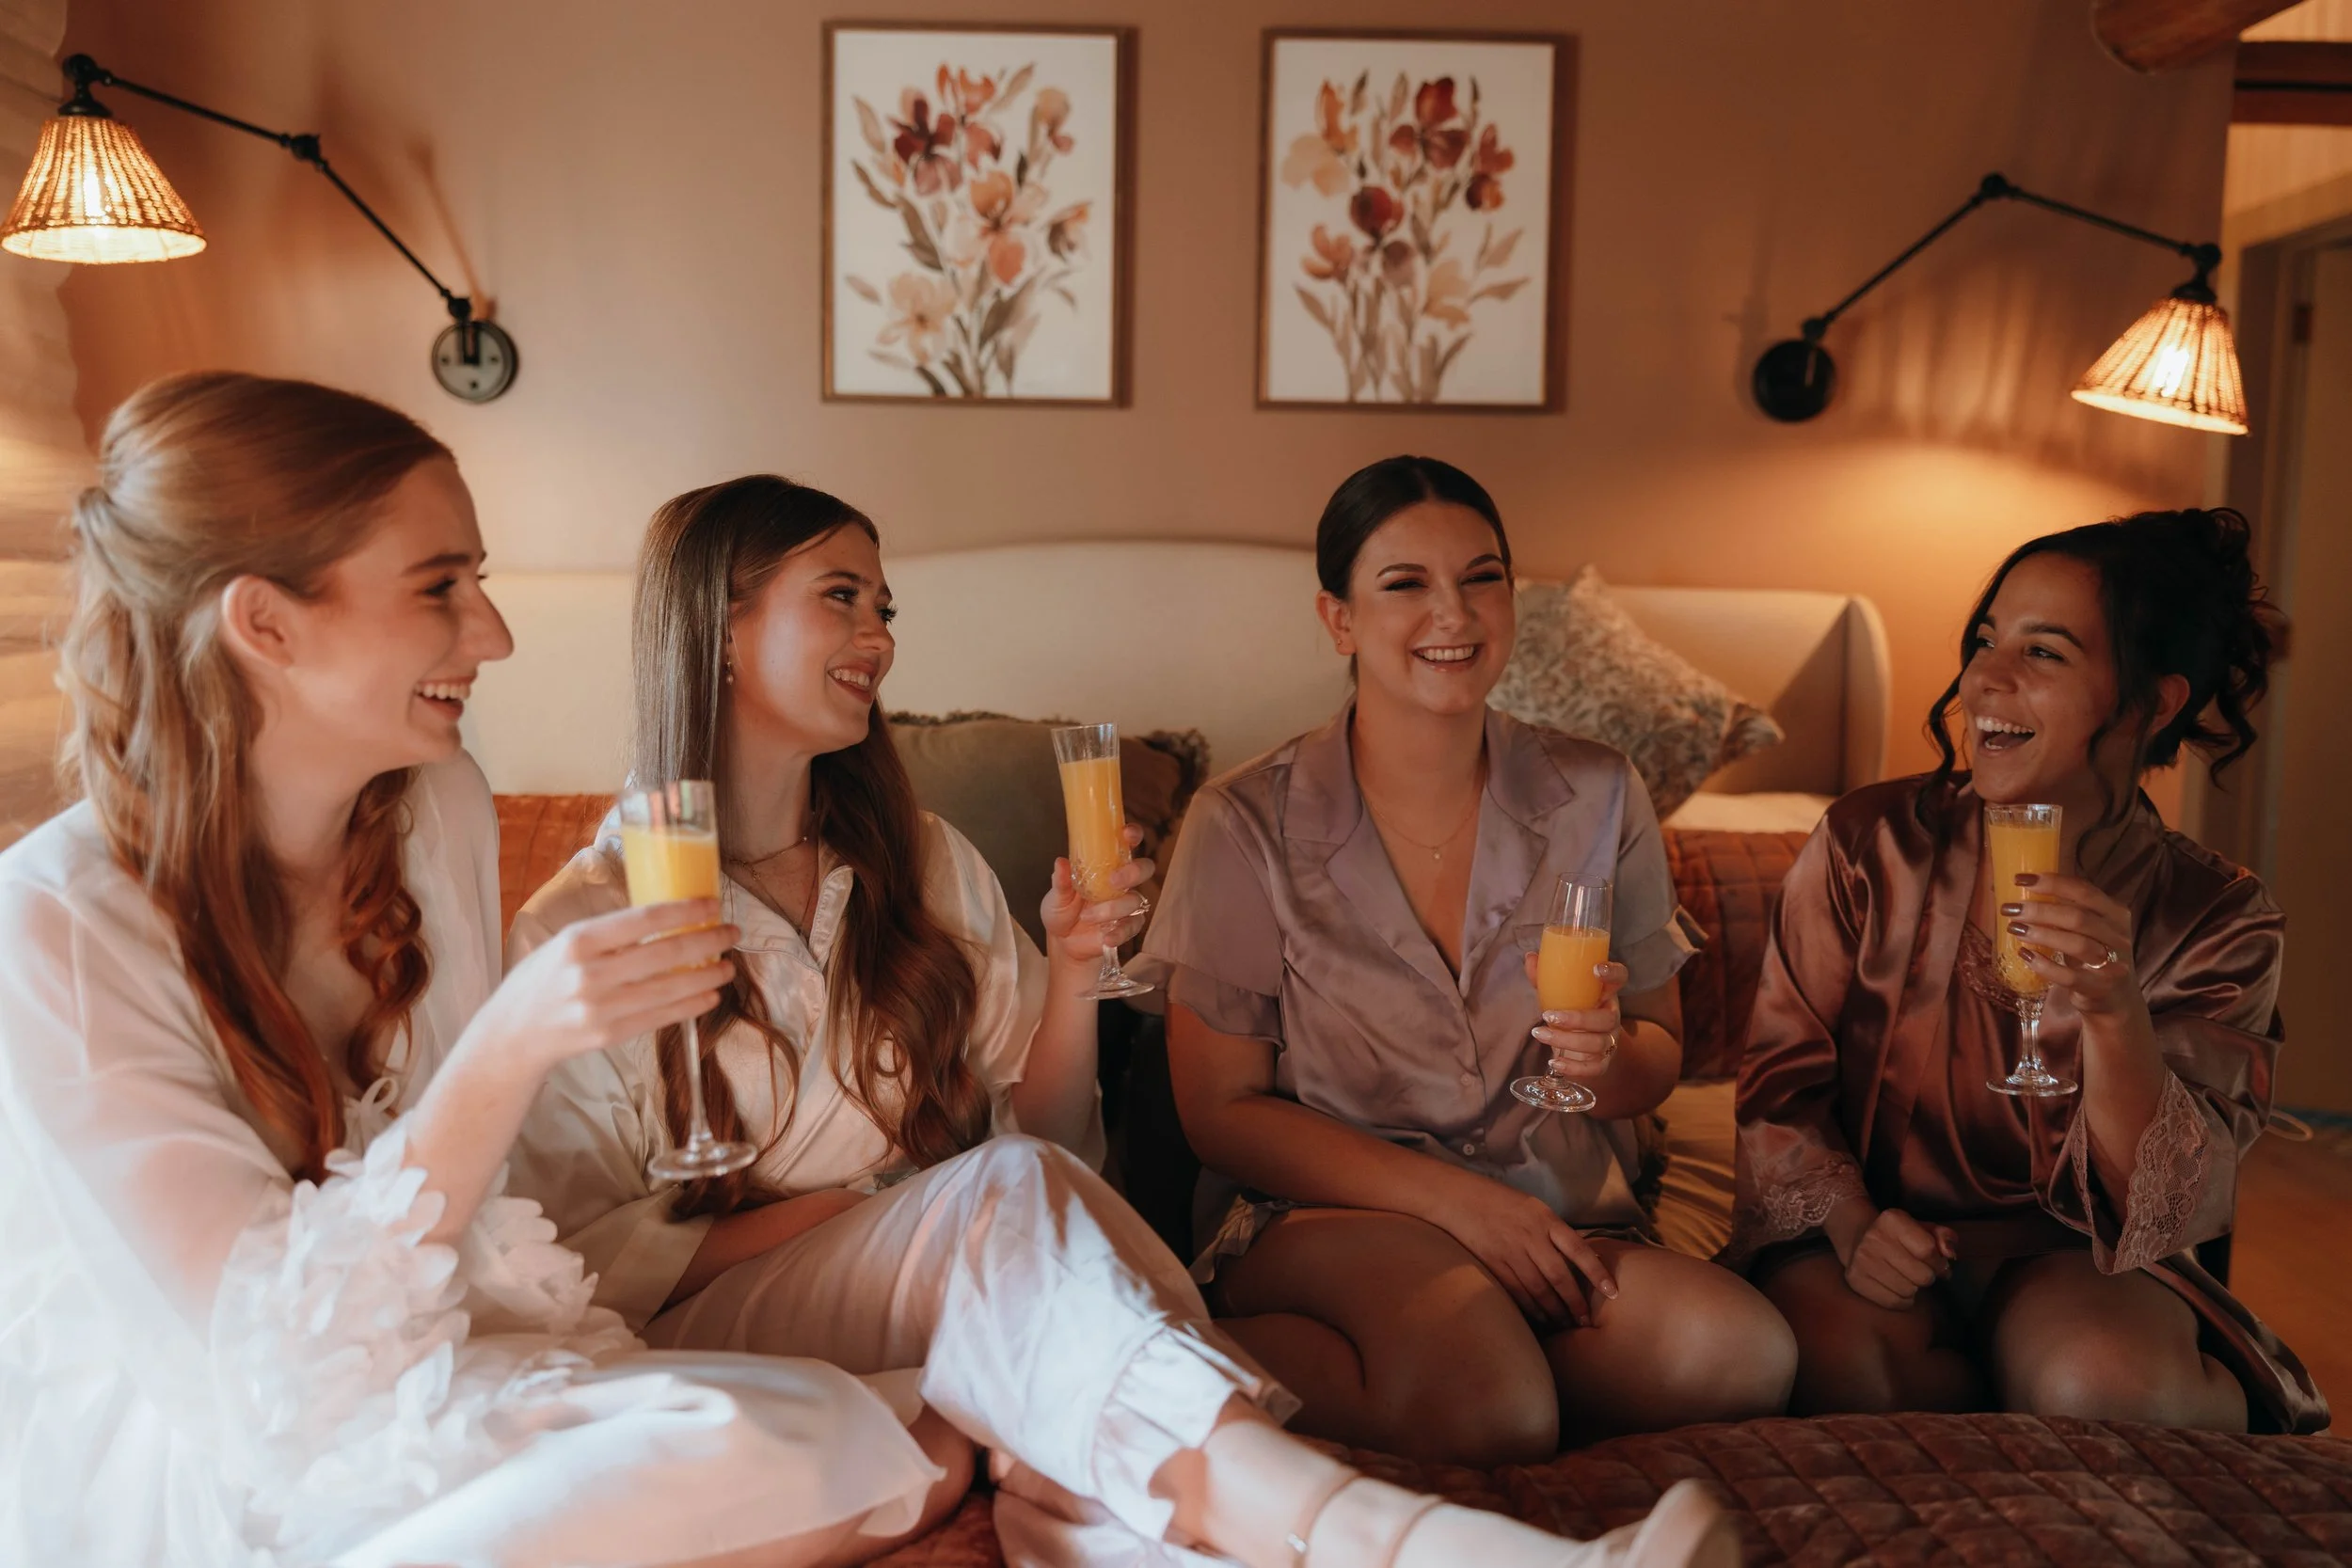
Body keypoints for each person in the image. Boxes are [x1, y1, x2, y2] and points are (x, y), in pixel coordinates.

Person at [504, 474, 1738, 1568]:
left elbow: (1046, 1139)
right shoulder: (590, 916)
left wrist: (1078, 971)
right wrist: (855, 1212)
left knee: (1059, 1401)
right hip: (727, 1314)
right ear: (722, 623)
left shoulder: (918, 862)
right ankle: (1421, 1541)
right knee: (1000, 1208)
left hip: (943, 1285)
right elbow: (571, 1261)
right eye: (843, 598)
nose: (880, 634)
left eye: (886, 605)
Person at [0, 372, 982, 1568]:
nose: (494, 635)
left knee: (869, 1434)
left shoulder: (438, 807)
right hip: (226, 1438)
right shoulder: (55, 921)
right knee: (792, 1459)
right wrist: (511, 1042)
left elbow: (488, 1230)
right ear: (266, 623)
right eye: (440, 587)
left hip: (440, 1345)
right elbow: (273, 1384)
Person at [1136, 456, 1797, 1466]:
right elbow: (1218, 1110)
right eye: (1404, 583)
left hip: (1559, 1206)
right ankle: (1147, 1366)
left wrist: (1607, 1056)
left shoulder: (1597, 791)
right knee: (1495, 1411)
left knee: (1740, 1356)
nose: (1454, 611)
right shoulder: (1242, 820)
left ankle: (1420, 1369)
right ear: (1339, 618)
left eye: (1481, 576)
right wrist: (1460, 1205)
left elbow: (1656, 1057)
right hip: (1327, 1213)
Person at [1731, 508, 2328, 1436]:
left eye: (2042, 652)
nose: (1984, 677)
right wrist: (1850, 1224)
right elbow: (1779, 1084)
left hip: (2080, 1259)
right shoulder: (1868, 842)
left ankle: (2233, 1421)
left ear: (2152, 701)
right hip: (1871, 1228)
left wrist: (2115, 1010)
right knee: (1851, 1378)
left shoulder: (2216, 916)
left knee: (2107, 1391)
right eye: (1983, 639)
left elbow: (2167, 1203)